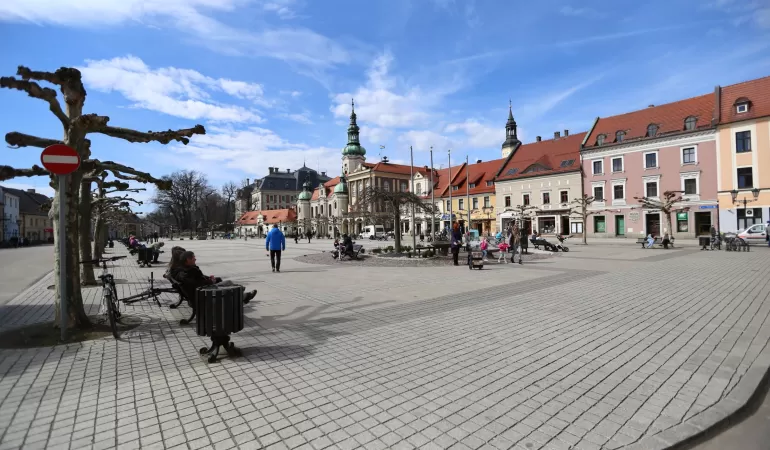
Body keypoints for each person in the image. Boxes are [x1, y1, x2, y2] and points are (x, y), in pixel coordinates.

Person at [175, 251, 256, 303]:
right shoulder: (187, 272)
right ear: (188, 260)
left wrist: (208, 279)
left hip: (202, 292)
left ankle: (240, 291)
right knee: (229, 288)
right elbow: (196, 284)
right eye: (193, 257)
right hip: (204, 294)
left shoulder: (185, 269)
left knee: (228, 282)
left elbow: (197, 281)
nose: (195, 259)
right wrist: (210, 282)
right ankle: (243, 295)